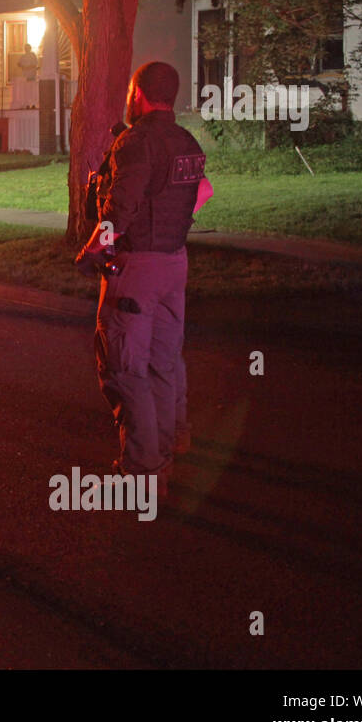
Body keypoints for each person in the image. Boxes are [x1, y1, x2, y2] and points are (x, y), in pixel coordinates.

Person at [75, 61, 208, 500]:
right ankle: (167, 449)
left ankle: (143, 471)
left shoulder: (137, 142)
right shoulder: (186, 142)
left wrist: (93, 247)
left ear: (139, 93)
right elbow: (200, 193)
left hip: (137, 269)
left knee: (124, 368)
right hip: (175, 262)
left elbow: (119, 211)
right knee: (163, 363)